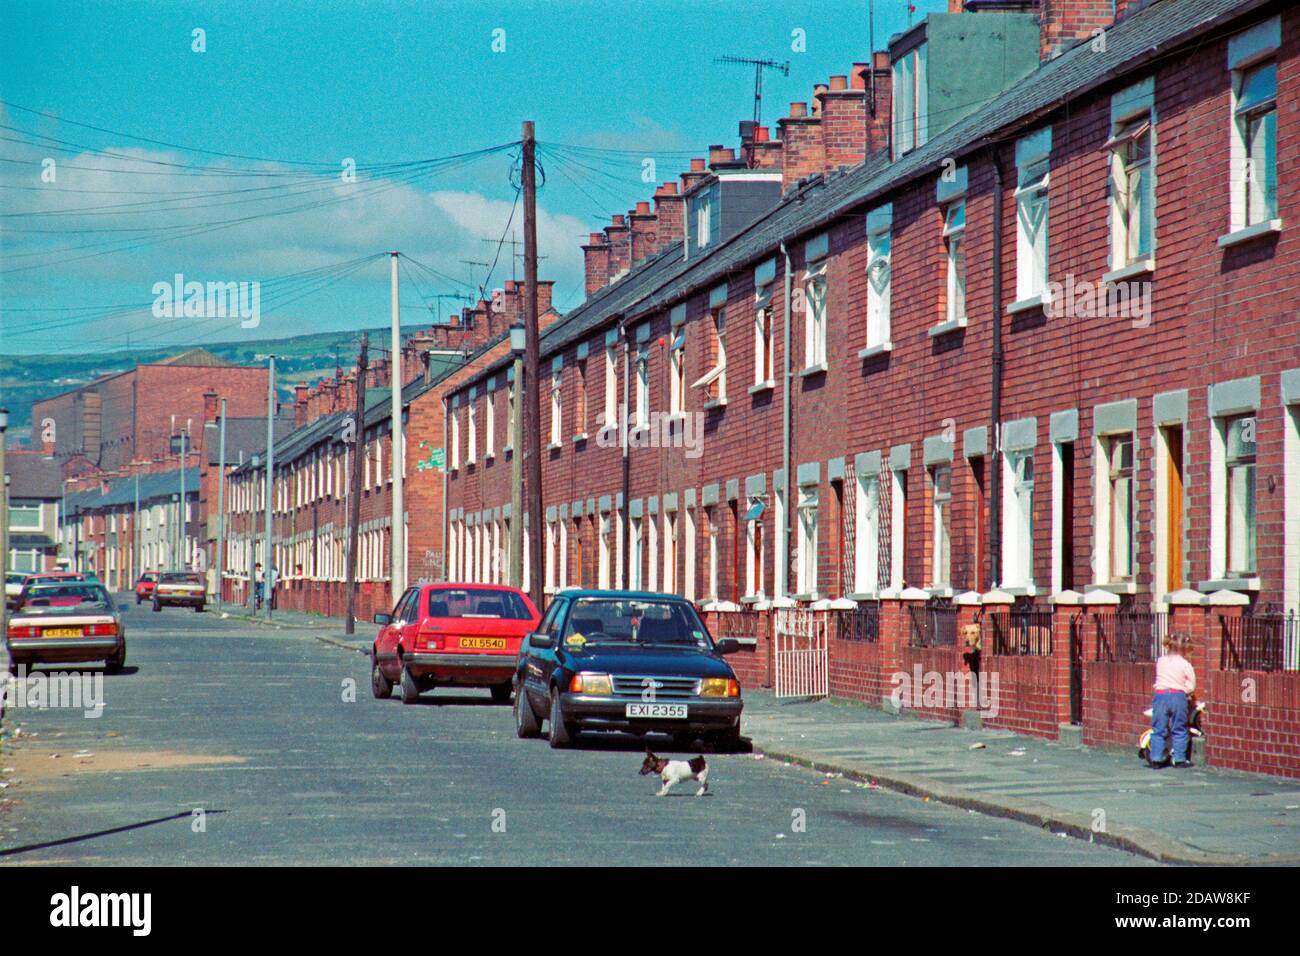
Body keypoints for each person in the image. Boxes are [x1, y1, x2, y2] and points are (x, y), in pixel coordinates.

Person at [1149, 632, 1196, 769]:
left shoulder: (1160, 661)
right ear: (1184, 649)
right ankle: (1179, 759)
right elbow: (1191, 685)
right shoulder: (1185, 664)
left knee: (1158, 728)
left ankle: (1156, 758)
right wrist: (1185, 691)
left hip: (1160, 695)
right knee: (1179, 728)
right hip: (1177, 696)